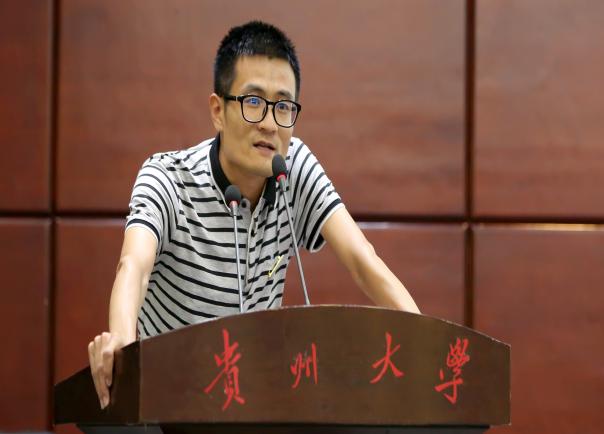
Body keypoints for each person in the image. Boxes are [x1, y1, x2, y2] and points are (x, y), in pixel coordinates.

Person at [88, 20, 420, 410]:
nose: (269, 123)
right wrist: (122, 346)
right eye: (253, 102)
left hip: (252, 405)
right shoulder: (167, 178)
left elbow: (363, 261)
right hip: (167, 404)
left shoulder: (293, 168)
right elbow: (134, 265)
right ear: (218, 111)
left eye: (283, 106)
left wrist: (426, 344)